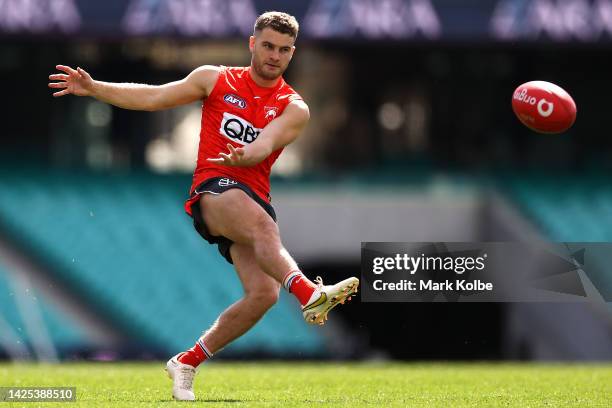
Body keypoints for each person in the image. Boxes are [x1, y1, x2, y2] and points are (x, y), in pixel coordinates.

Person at [49, 11, 359, 401]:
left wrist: (249, 154)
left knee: (264, 295)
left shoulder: (294, 107)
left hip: (252, 195)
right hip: (214, 190)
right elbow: (154, 95)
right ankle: (311, 295)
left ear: (292, 54)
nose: (274, 55)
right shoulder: (215, 78)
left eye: (283, 50)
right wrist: (96, 89)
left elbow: (266, 144)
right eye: (267, 46)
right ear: (252, 44)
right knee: (265, 229)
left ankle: (186, 362)